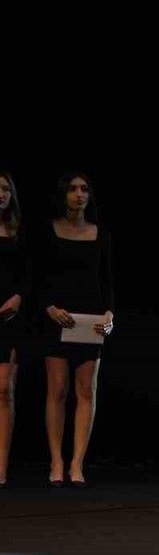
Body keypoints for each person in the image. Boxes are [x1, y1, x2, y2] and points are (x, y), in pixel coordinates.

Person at [36, 172, 114, 487]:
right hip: (57, 318)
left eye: (84, 189)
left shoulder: (100, 233)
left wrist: (109, 315)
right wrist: (49, 308)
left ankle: (77, 462)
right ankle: (56, 460)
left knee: (86, 391)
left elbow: (107, 280)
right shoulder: (49, 230)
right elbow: (37, 277)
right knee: (57, 390)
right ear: (63, 194)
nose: (79, 194)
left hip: (89, 321)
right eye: (72, 189)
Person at [0, 170, 29, 488]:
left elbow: (31, 274)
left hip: (9, 317)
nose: (2, 193)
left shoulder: (18, 230)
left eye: (6, 188)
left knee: (4, 391)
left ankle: (1, 466)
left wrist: (19, 297)